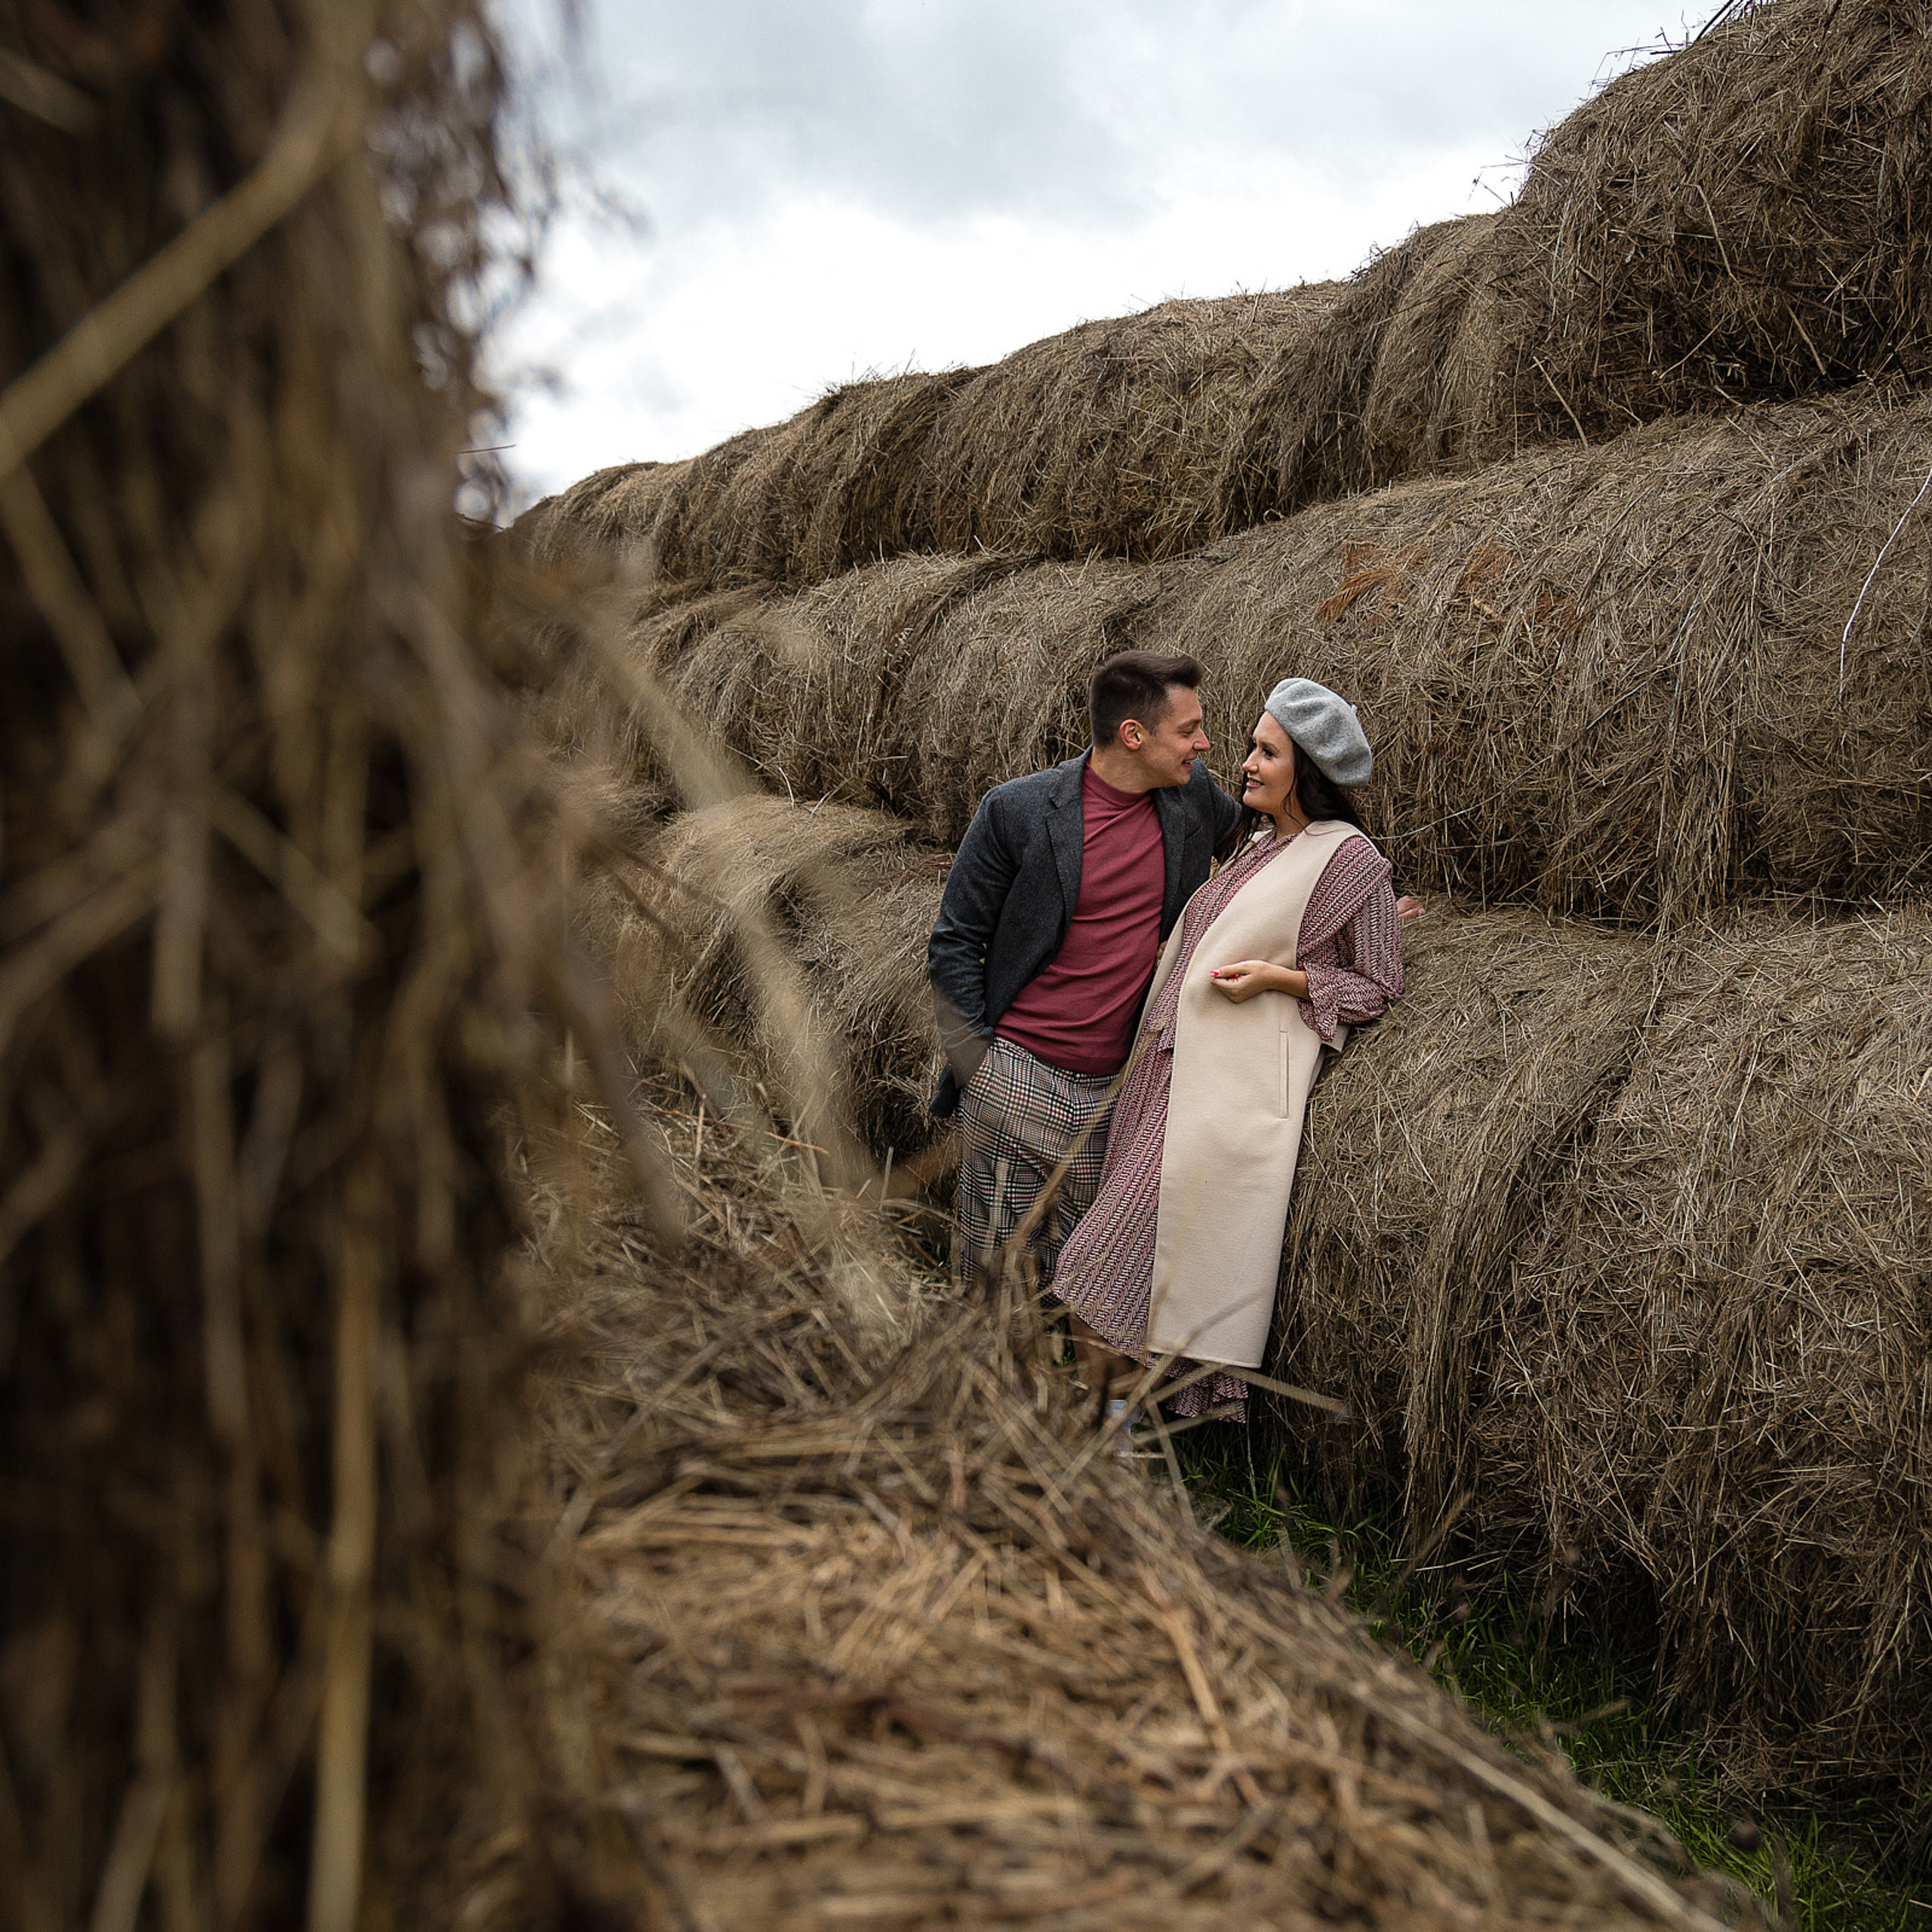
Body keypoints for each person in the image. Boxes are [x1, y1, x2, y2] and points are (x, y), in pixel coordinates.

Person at [1052, 676, 1404, 1424]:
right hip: (1165, 1077)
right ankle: (1108, 1431)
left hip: (1220, 1096)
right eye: (1251, 745)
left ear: (1305, 771)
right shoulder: (1258, 844)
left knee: (1092, 1265)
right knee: (1123, 1273)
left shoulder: (1349, 860)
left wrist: (1281, 980)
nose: (1245, 761)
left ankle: (1103, 1428)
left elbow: (1377, 981)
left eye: (1267, 752)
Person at [928, 651, 1243, 1287]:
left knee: (1089, 1296)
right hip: (1016, 1076)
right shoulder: (1015, 811)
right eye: (1188, 730)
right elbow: (955, 942)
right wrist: (978, 1066)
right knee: (995, 1288)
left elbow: (1267, 855)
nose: (1205, 744)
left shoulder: (1193, 800)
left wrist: (1355, 896)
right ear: (1134, 735)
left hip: (1121, 1093)